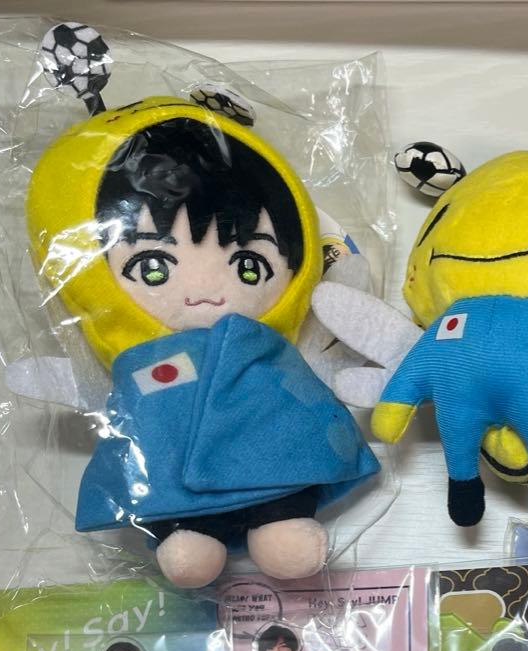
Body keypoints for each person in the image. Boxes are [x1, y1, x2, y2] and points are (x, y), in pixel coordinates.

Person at [27, 99, 380, 587]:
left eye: (248, 267)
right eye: (153, 267)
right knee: (177, 503)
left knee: (283, 474)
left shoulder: (271, 347)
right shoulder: (140, 362)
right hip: (171, 466)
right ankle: (189, 529)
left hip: (279, 461)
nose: (206, 292)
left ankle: (277, 519)